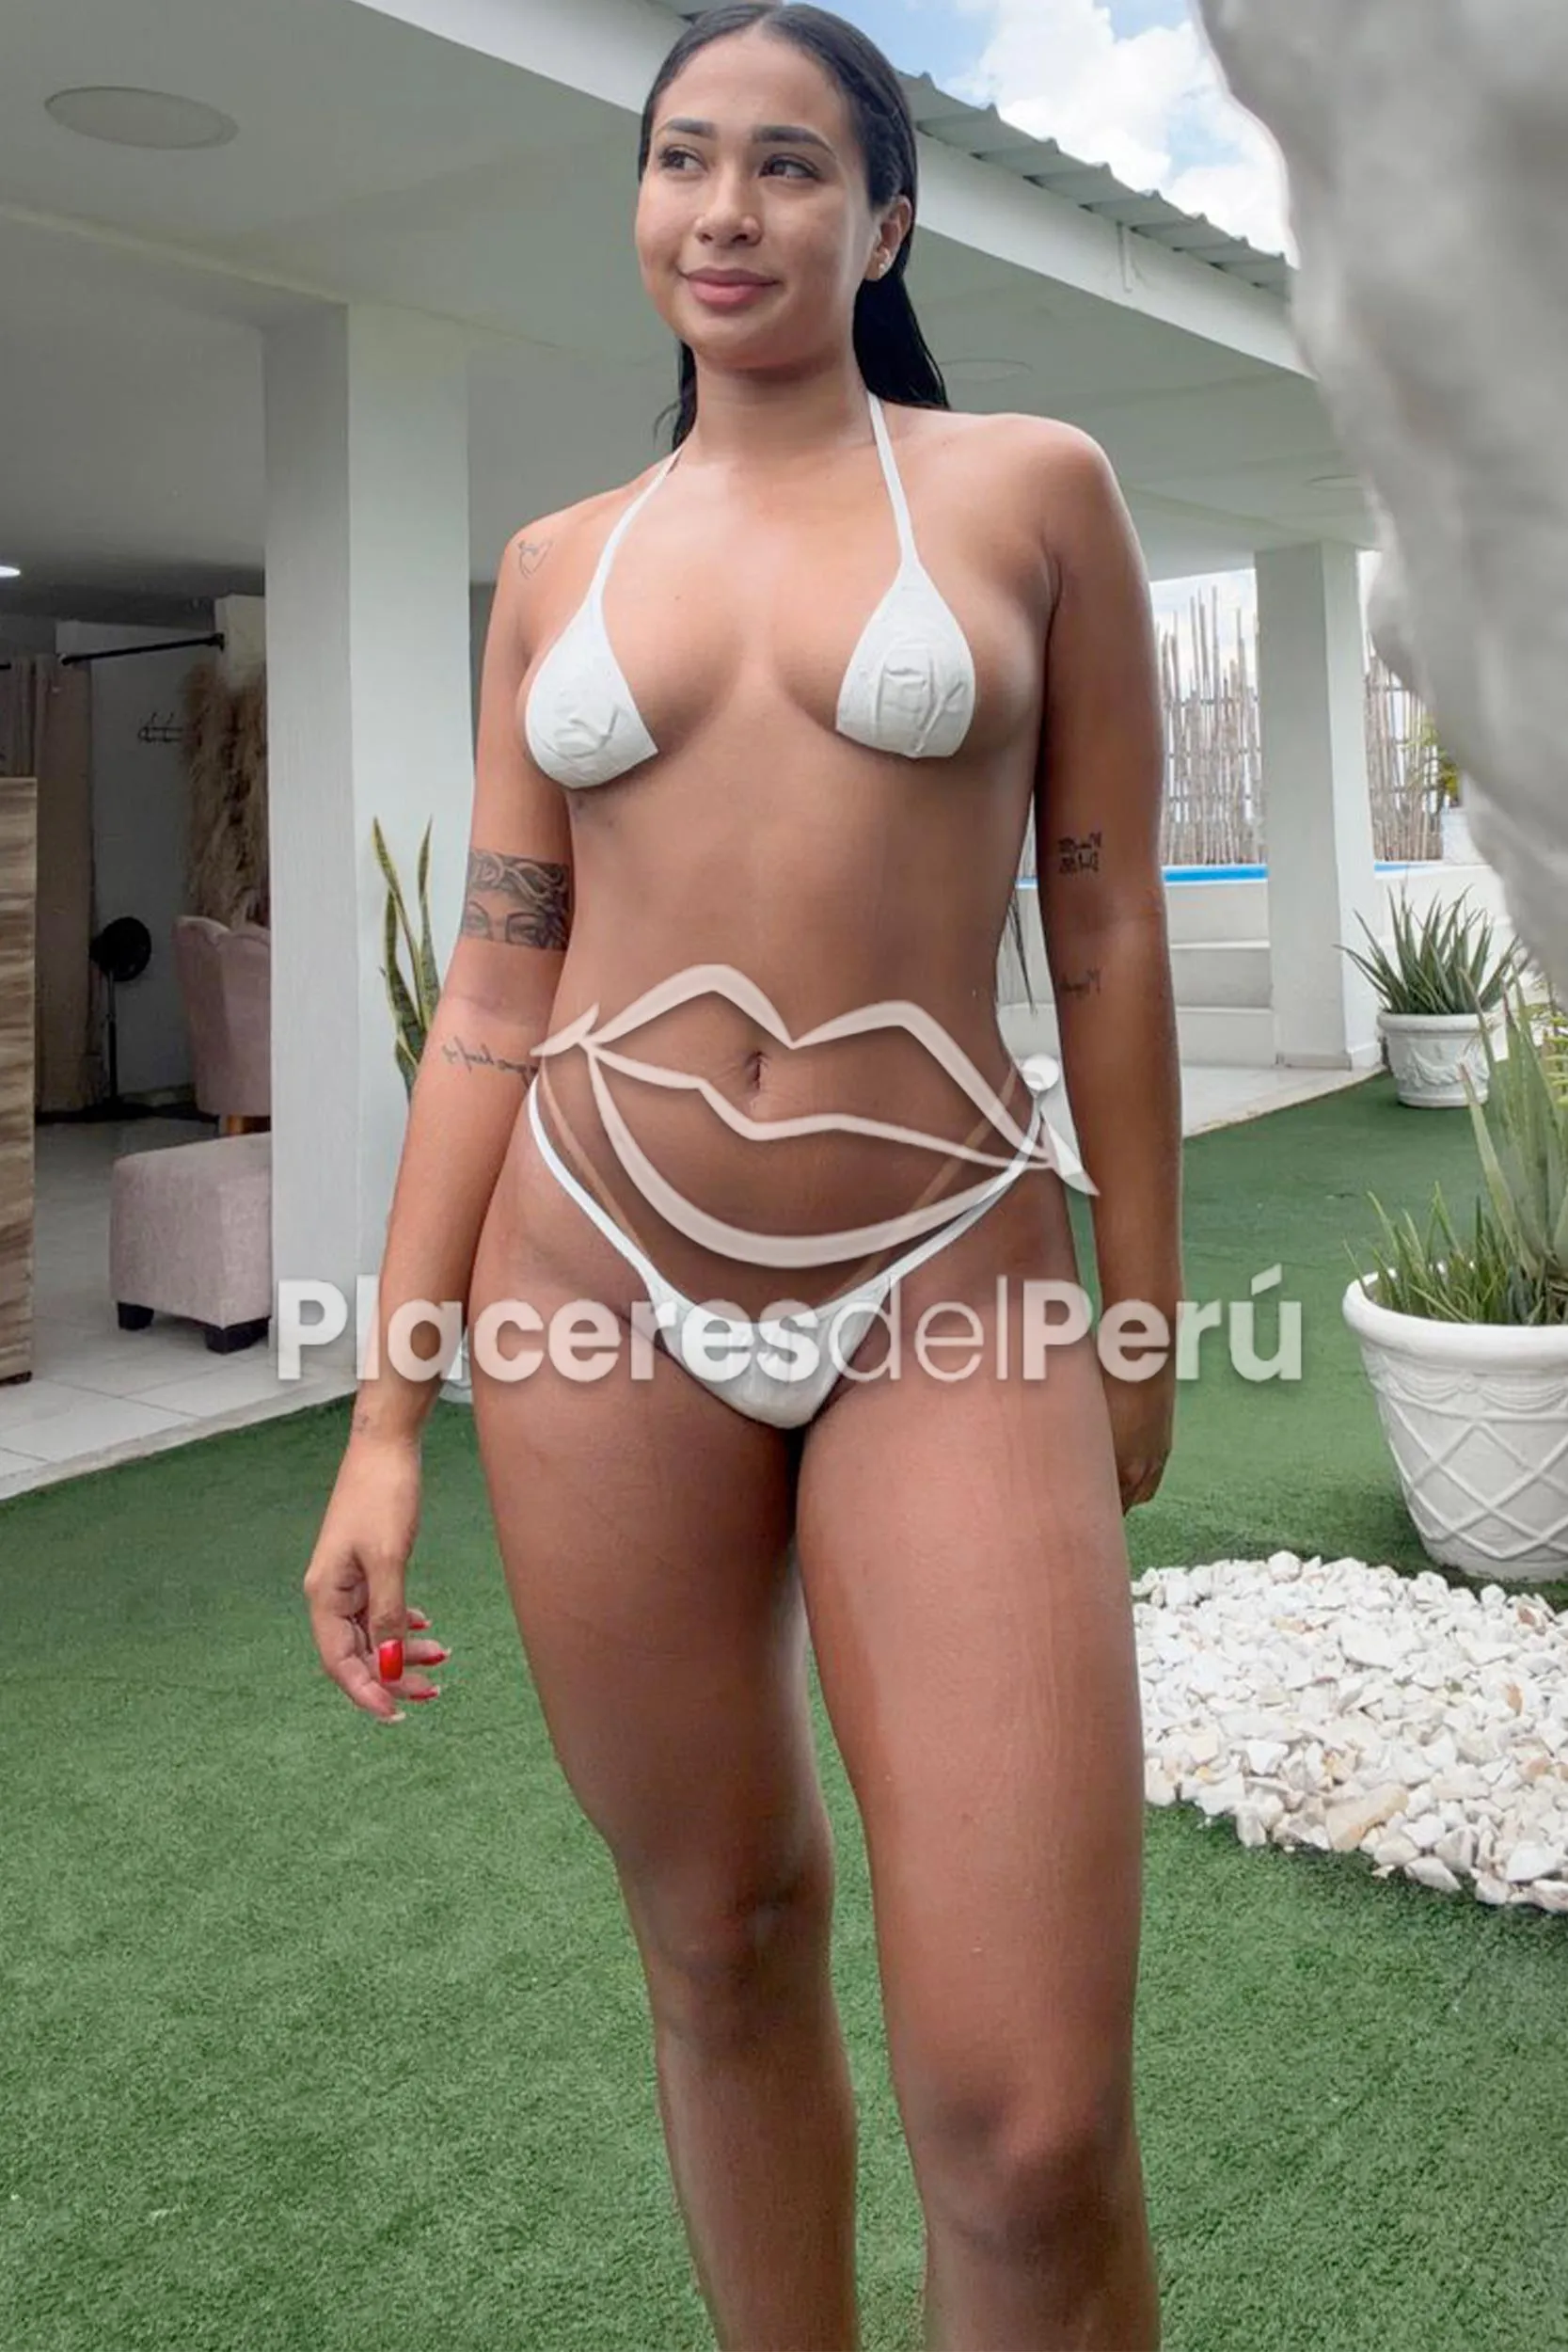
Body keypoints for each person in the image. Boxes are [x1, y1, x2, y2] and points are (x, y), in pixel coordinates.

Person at [303, 5, 1178, 2345]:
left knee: (1031, 2121)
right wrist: (386, 1415)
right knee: (717, 1940)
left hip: (944, 1270)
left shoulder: (1027, 493)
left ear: (880, 222)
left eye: (786, 164)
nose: (723, 207)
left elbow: (1101, 932)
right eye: (681, 156)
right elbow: (493, 985)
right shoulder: (555, 565)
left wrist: (1142, 1310)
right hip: (588, 1272)